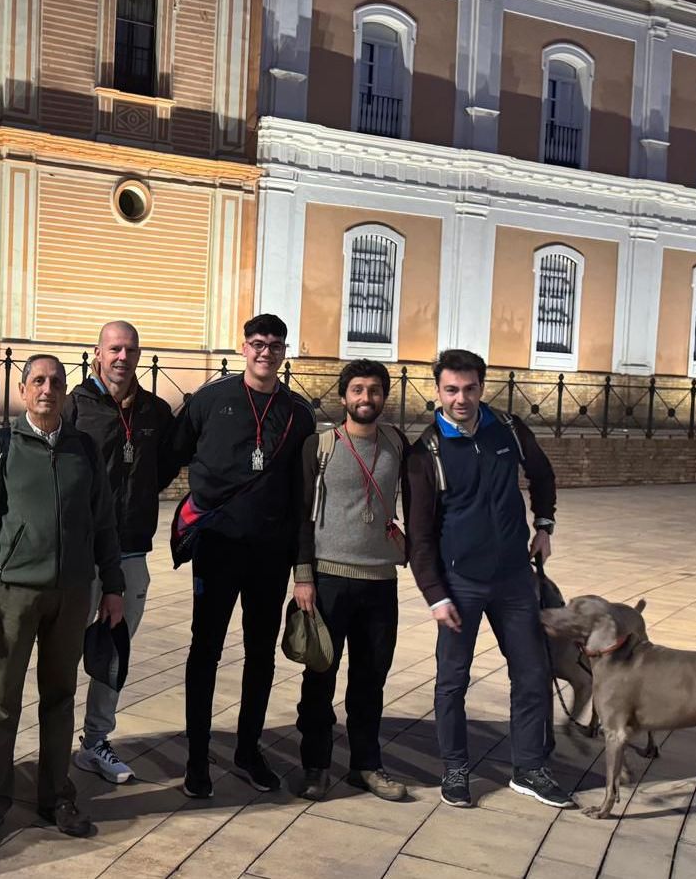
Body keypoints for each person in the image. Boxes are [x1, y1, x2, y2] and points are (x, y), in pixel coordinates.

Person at [0, 354, 126, 848]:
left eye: (55, 381)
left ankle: (56, 794)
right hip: (13, 592)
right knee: (1, 700)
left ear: (65, 389)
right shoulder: (1, 445)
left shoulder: (83, 449)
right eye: (38, 381)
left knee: (60, 698)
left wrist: (112, 584)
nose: (47, 389)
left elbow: (103, 524)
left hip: (72, 593)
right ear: (22, 389)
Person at [406, 348, 573, 810]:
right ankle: (455, 768)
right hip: (460, 585)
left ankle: (530, 769)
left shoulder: (510, 429)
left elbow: (542, 475)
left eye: (470, 388)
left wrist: (544, 525)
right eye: (451, 390)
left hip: (516, 579)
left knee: (533, 672)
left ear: (483, 386)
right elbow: (419, 536)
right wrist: (436, 596)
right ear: (437, 391)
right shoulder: (426, 453)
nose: (461, 398)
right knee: (453, 680)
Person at [165, 313, 314, 797]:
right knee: (204, 650)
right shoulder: (211, 400)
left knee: (260, 655)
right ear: (243, 347)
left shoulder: (298, 412)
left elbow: (303, 495)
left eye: (274, 344)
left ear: (283, 351)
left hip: (270, 555)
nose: (265, 352)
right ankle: (196, 757)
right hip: (218, 548)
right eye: (257, 343)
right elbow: (172, 455)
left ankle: (248, 749)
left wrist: (301, 563)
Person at [61, 321, 176, 783]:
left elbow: (162, 466)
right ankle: (53, 743)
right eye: (114, 348)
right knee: (64, 653)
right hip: (80, 554)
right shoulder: (73, 405)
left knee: (113, 654)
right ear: (97, 353)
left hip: (130, 552)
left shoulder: (155, 410)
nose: (122, 357)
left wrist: (142, 498)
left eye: (130, 349)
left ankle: (95, 742)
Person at [292, 359, 410, 802]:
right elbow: (301, 514)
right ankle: (315, 765)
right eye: (357, 390)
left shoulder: (398, 444)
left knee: (370, 679)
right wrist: (302, 575)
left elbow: (419, 502)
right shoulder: (320, 445)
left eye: (375, 390)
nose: (366, 398)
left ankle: (365, 765)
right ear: (343, 397)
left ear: (384, 396)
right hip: (328, 578)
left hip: (380, 581)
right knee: (319, 677)